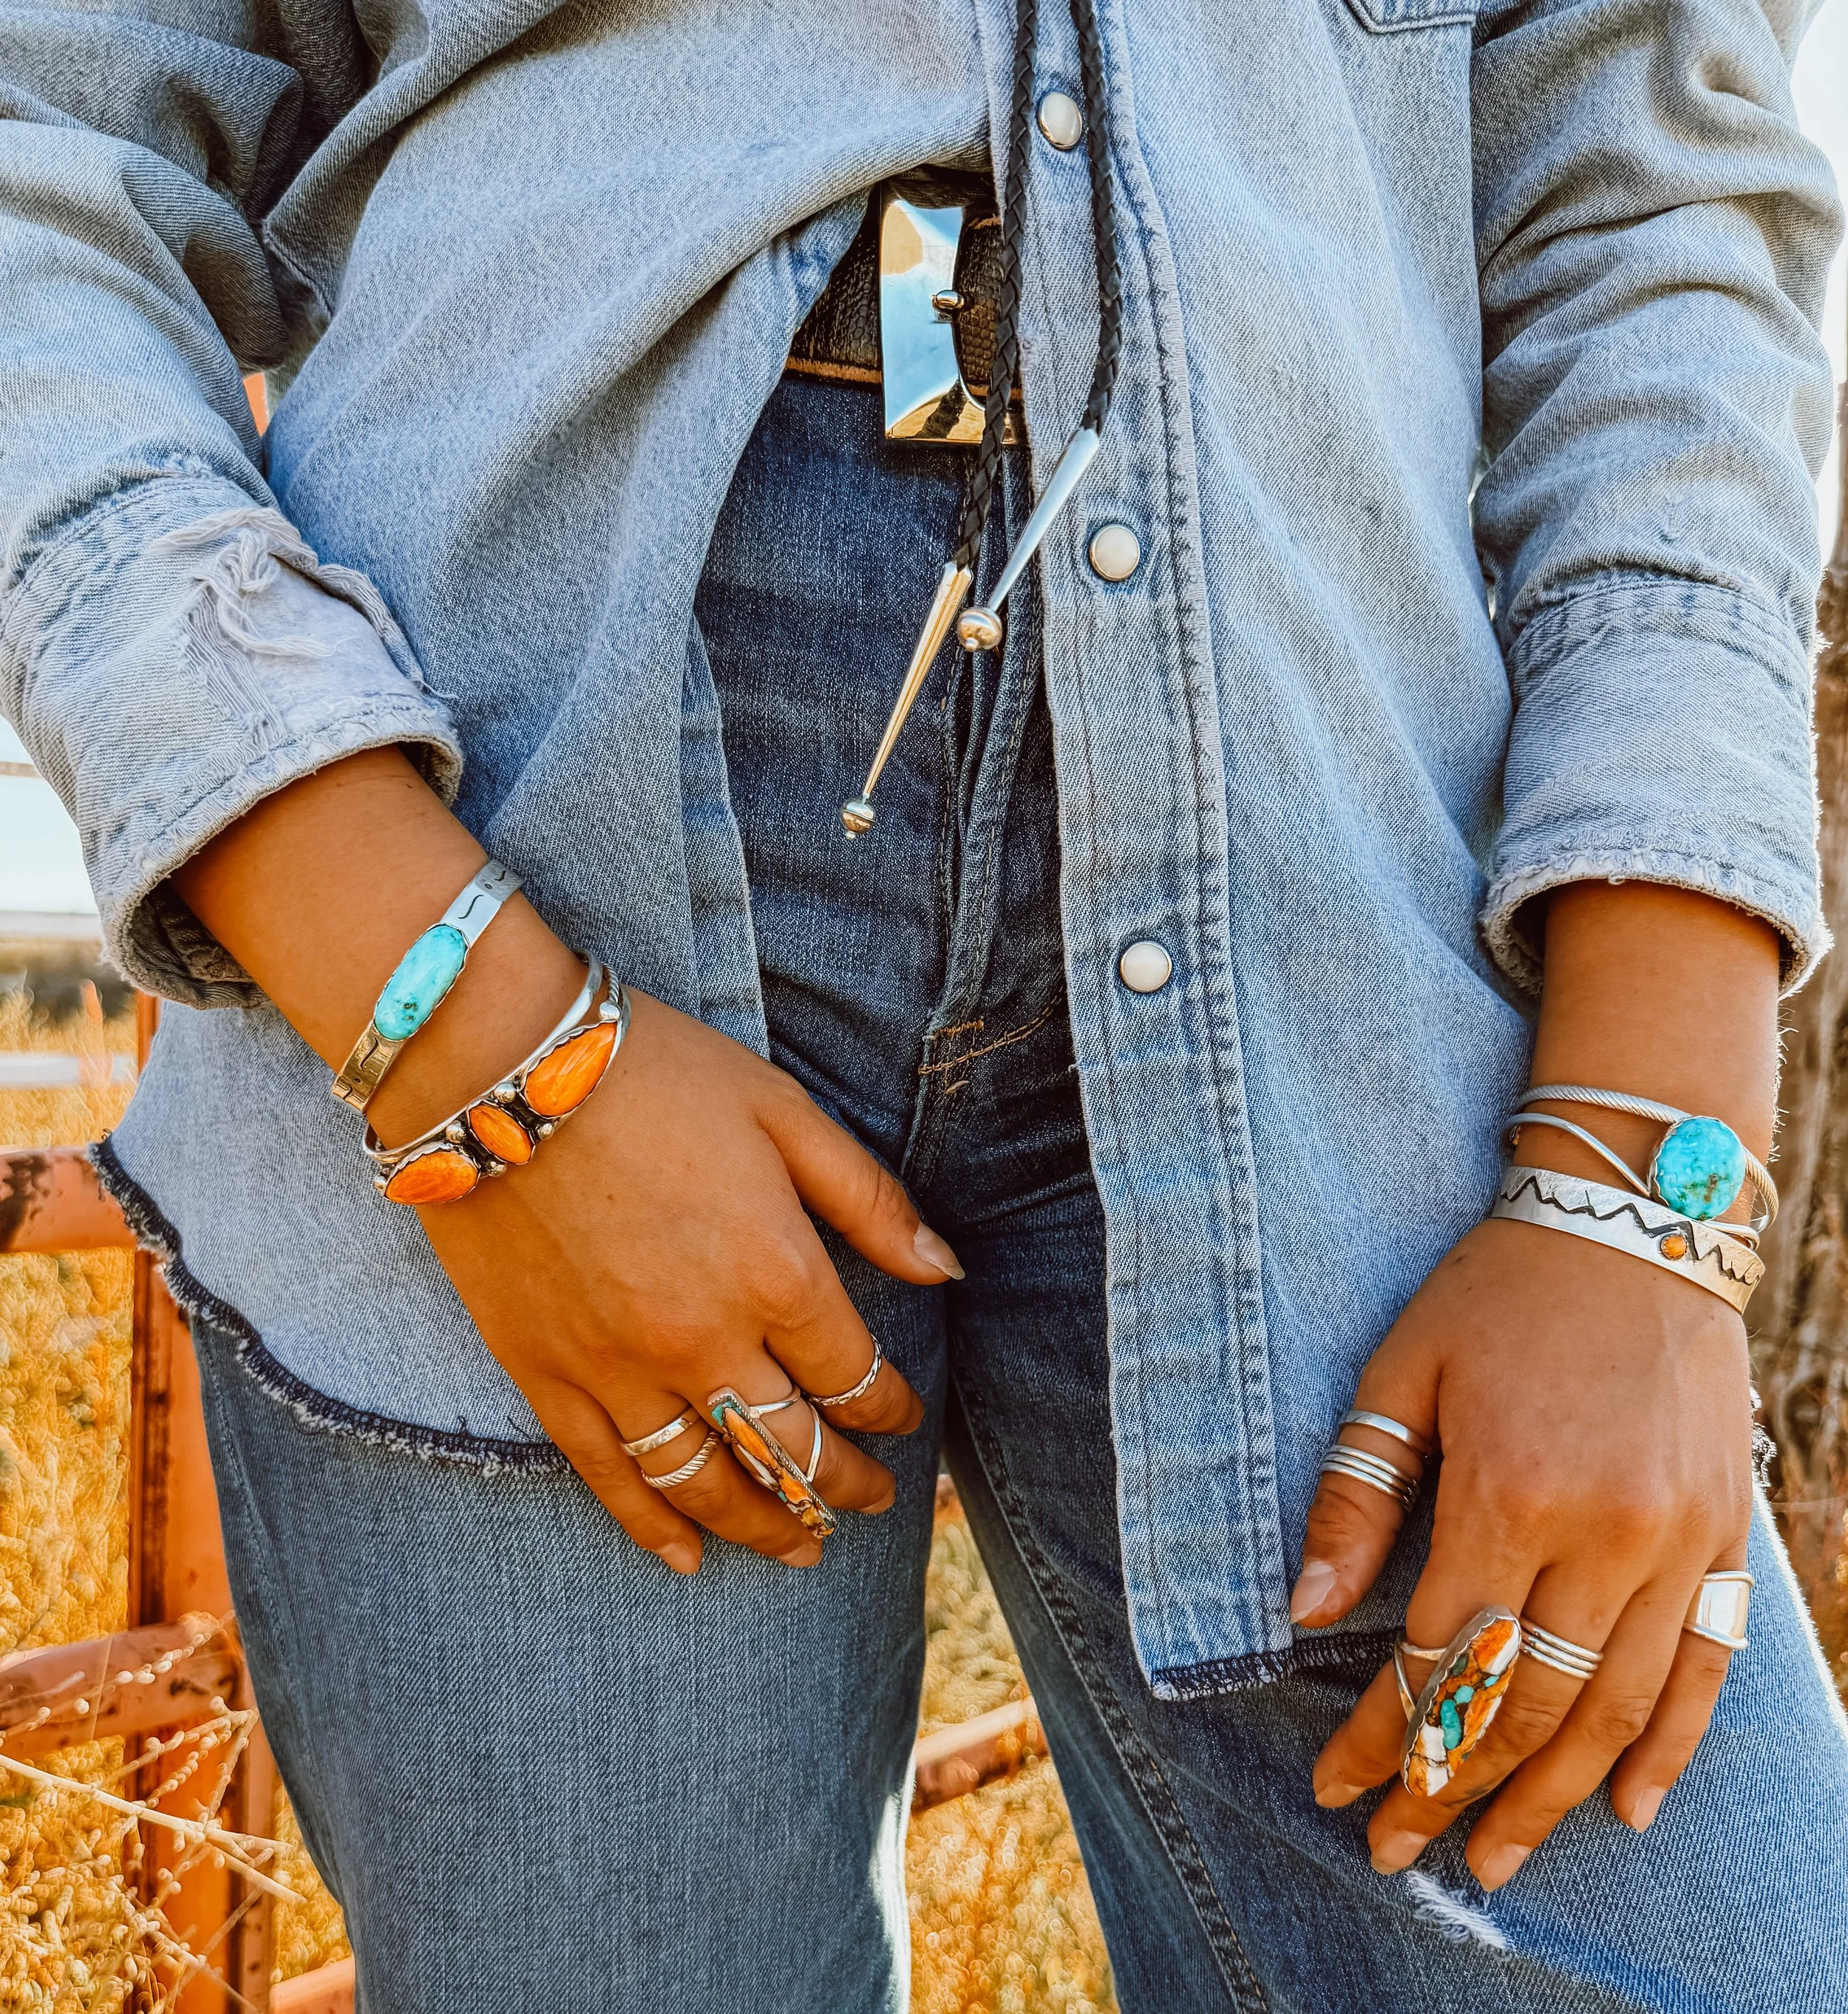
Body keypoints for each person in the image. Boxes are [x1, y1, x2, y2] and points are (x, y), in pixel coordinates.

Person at [3, 0, 1845, 2003]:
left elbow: (1656, 212)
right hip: (513, 847)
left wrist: (1644, 1173)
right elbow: (45, 165)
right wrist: (441, 998)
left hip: (1356, 906)